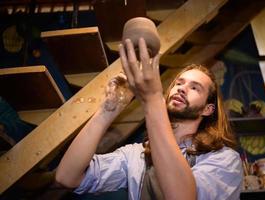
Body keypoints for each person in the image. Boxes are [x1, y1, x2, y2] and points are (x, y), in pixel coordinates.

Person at [55, 38, 243, 200]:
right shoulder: (136, 156)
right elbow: (66, 176)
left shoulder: (225, 159)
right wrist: (108, 109)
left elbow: (182, 196)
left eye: (195, 88)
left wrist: (153, 99)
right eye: (179, 83)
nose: (182, 88)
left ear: (208, 109)